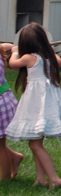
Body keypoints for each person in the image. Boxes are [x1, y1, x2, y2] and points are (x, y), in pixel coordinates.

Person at [6, 23, 61, 188]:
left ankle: (54, 178)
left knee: (34, 144)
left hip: (36, 105)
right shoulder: (51, 58)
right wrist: (48, 50)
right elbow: (59, 61)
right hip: (46, 106)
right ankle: (41, 179)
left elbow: (13, 64)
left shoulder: (29, 58)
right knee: (36, 144)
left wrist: (15, 51)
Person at [0, 43, 22, 181]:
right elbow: (7, 45)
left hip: (0, 104)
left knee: (0, 146)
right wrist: (15, 49)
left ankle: (6, 178)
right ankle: (14, 157)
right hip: (5, 99)